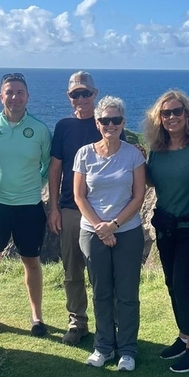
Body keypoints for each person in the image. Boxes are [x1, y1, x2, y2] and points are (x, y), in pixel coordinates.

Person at [48, 71, 127, 346]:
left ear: (95, 94)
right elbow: (55, 167)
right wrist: (54, 207)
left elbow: (124, 160)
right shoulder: (63, 127)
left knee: (106, 272)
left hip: (105, 212)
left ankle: (112, 324)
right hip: (71, 208)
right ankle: (77, 321)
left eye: (85, 93)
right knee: (72, 270)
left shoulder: (109, 122)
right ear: (69, 97)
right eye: (74, 94)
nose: (80, 98)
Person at [0, 73, 51, 338]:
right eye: (9, 92)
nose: (14, 97)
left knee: (32, 261)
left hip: (29, 205)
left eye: (20, 92)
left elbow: (46, 165)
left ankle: (37, 317)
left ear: (27, 96)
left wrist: (30, 186)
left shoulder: (39, 129)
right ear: (0, 96)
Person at [73, 96, 146, 372]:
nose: (110, 125)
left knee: (127, 293)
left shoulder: (133, 155)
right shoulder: (84, 154)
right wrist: (101, 229)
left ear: (123, 123)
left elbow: (138, 196)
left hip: (126, 231)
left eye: (116, 120)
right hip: (92, 233)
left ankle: (127, 349)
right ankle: (104, 346)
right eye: (105, 120)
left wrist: (113, 225)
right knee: (101, 291)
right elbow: (79, 196)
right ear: (97, 122)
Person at [144, 90, 189, 374]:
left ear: (188, 114)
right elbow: (145, 181)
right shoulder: (156, 152)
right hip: (166, 228)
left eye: (177, 111)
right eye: (166, 113)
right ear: (159, 118)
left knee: (186, 286)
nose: (172, 117)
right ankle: (184, 337)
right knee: (172, 284)